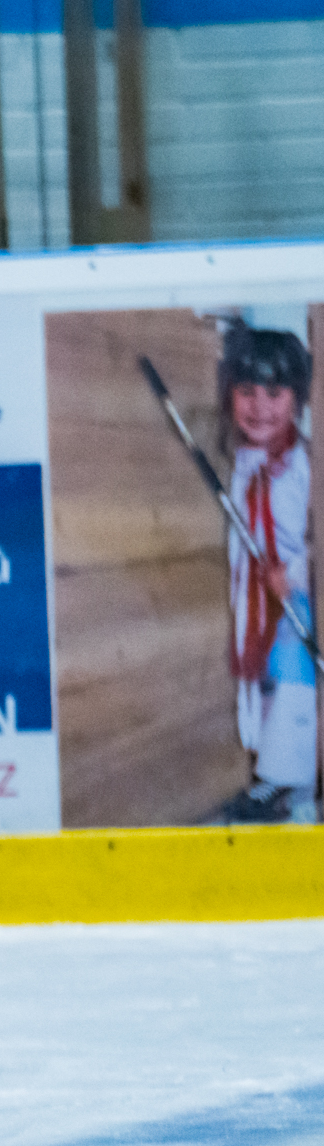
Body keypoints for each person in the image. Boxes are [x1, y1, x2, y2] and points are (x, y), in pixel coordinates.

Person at [213, 322, 316, 825]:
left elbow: (311, 536)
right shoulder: (244, 460)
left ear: (297, 398)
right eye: (246, 391)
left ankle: (289, 782)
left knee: (294, 678)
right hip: (254, 594)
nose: (259, 405)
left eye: (274, 392)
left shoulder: (302, 464)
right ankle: (274, 778)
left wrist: (295, 574)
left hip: (294, 596)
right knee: (266, 684)